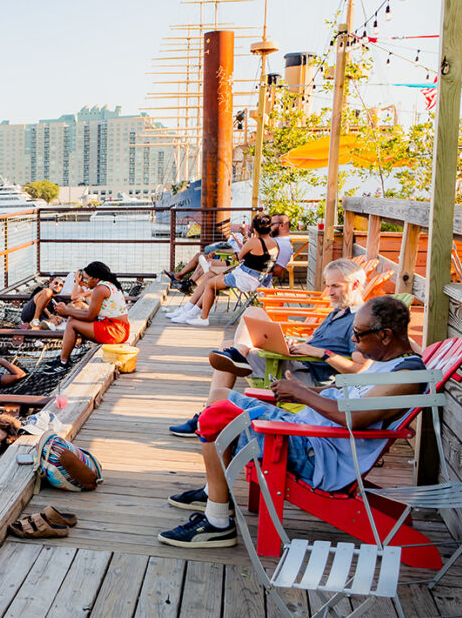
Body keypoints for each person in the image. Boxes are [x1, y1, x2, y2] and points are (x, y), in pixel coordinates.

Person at [158, 296, 427, 548]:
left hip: (317, 453)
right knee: (220, 396)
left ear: (386, 335)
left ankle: (217, 523)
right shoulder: (386, 361)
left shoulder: (404, 378)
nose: (354, 340)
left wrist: (302, 394)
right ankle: (214, 492)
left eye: (359, 334)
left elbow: (352, 417)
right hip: (307, 431)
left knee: (216, 417)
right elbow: (346, 398)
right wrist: (303, 390)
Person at [168, 257, 368, 437]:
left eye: (336, 286)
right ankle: (233, 363)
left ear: (356, 284)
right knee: (236, 335)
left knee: (232, 343)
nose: (330, 292)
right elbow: (315, 343)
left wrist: (321, 353)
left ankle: (208, 413)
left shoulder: (360, 320)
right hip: (296, 359)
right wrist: (298, 344)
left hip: (306, 374)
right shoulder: (338, 311)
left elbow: (360, 370)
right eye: (328, 286)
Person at [168, 214, 279, 327]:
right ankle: (189, 311)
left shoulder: (254, 242)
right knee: (209, 276)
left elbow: (239, 256)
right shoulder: (274, 243)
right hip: (262, 280)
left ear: (255, 229)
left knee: (210, 283)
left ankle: (202, 317)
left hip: (247, 279)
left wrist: (245, 242)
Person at [47, 260, 129, 372]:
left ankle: (63, 362)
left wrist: (67, 311)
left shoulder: (99, 289)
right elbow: (90, 313)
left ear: (95, 278)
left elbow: (90, 316)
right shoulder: (108, 285)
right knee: (72, 319)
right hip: (118, 328)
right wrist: (68, 311)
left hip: (115, 331)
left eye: (86, 279)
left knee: (71, 323)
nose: (84, 282)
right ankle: (64, 358)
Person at [164, 221, 248, 291]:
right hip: (230, 259)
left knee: (206, 260)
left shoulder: (250, 243)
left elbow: (238, 254)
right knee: (201, 257)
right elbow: (236, 251)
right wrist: (217, 250)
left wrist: (238, 239)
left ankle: (190, 284)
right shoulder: (248, 240)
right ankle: (186, 281)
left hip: (232, 262)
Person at [269, 213, 293, 282]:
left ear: (282, 225)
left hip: (255, 279)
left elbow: (277, 271)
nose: (268, 227)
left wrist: (254, 263)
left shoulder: (284, 246)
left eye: (271, 224)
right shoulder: (275, 240)